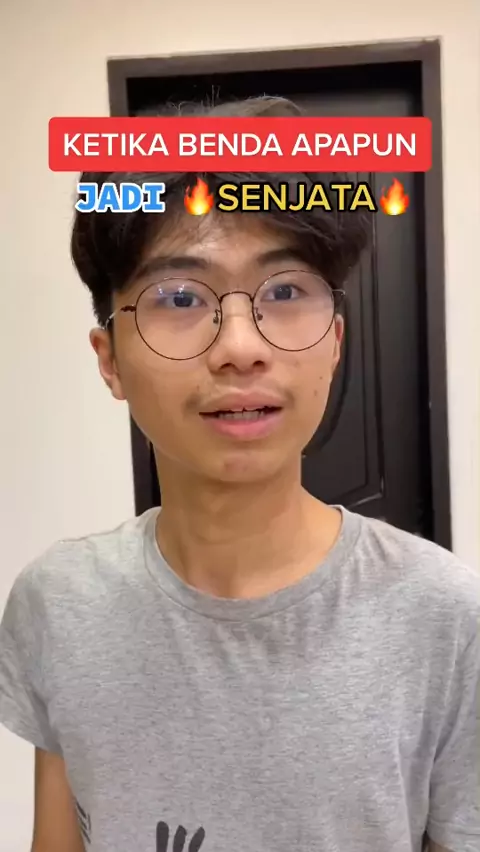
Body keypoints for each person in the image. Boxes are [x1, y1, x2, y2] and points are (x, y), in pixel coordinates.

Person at [0, 96, 479, 852]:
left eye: (284, 292)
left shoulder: (444, 617)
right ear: (109, 359)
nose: (240, 347)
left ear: (335, 341)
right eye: (179, 297)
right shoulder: (56, 604)